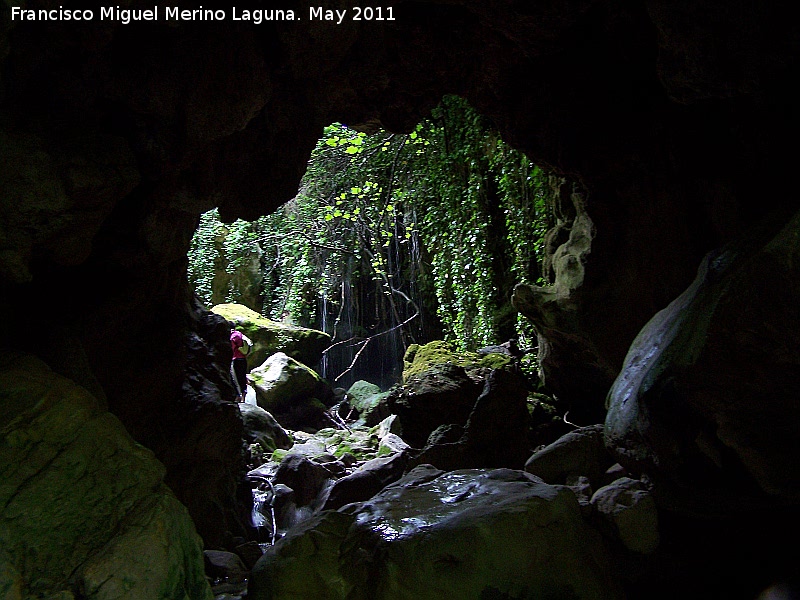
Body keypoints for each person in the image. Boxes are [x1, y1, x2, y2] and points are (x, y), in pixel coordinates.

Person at [229, 321, 252, 402]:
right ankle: (243, 397)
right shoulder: (239, 334)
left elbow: (231, 348)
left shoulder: (232, 336)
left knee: (235, 379)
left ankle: (238, 396)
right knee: (242, 377)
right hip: (243, 359)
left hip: (236, 360)